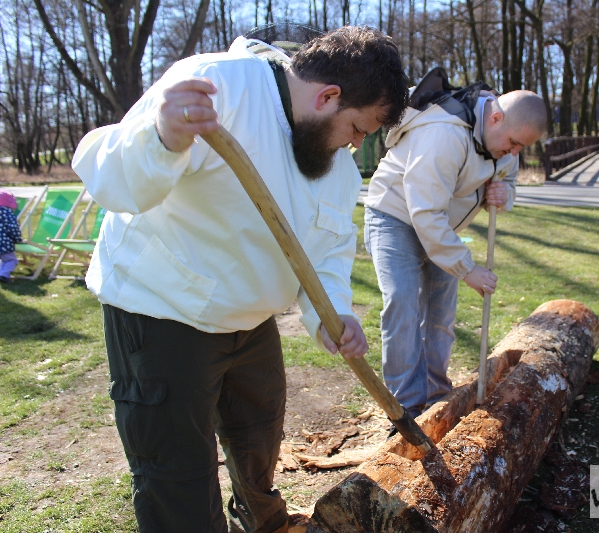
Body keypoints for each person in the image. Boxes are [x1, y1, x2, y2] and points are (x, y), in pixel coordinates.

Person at [71, 26, 408, 533]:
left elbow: (329, 249)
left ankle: (265, 522)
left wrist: (332, 311)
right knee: (177, 468)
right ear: (328, 97)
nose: (358, 145)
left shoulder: (334, 164)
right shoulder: (213, 88)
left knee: (259, 434)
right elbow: (105, 174)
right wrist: (162, 138)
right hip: (163, 310)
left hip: (250, 320)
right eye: (358, 128)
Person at [363, 83, 547, 426]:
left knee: (440, 316)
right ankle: (406, 412)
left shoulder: (505, 138)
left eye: (521, 147)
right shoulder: (445, 133)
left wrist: (503, 193)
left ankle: (437, 399)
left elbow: (508, 184)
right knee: (403, 303)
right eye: (513, 143)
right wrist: (466, 269)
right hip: (396, 216)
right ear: (495, 117)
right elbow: (425, 214)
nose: (513, 153)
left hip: (440, 226)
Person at [0, 190, 22, 283]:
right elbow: (12, 228)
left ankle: (2, 273)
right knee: (11, 260)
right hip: (4, 243)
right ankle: (4, 275)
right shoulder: (8, 213)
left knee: (5, 260)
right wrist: (18, 239)